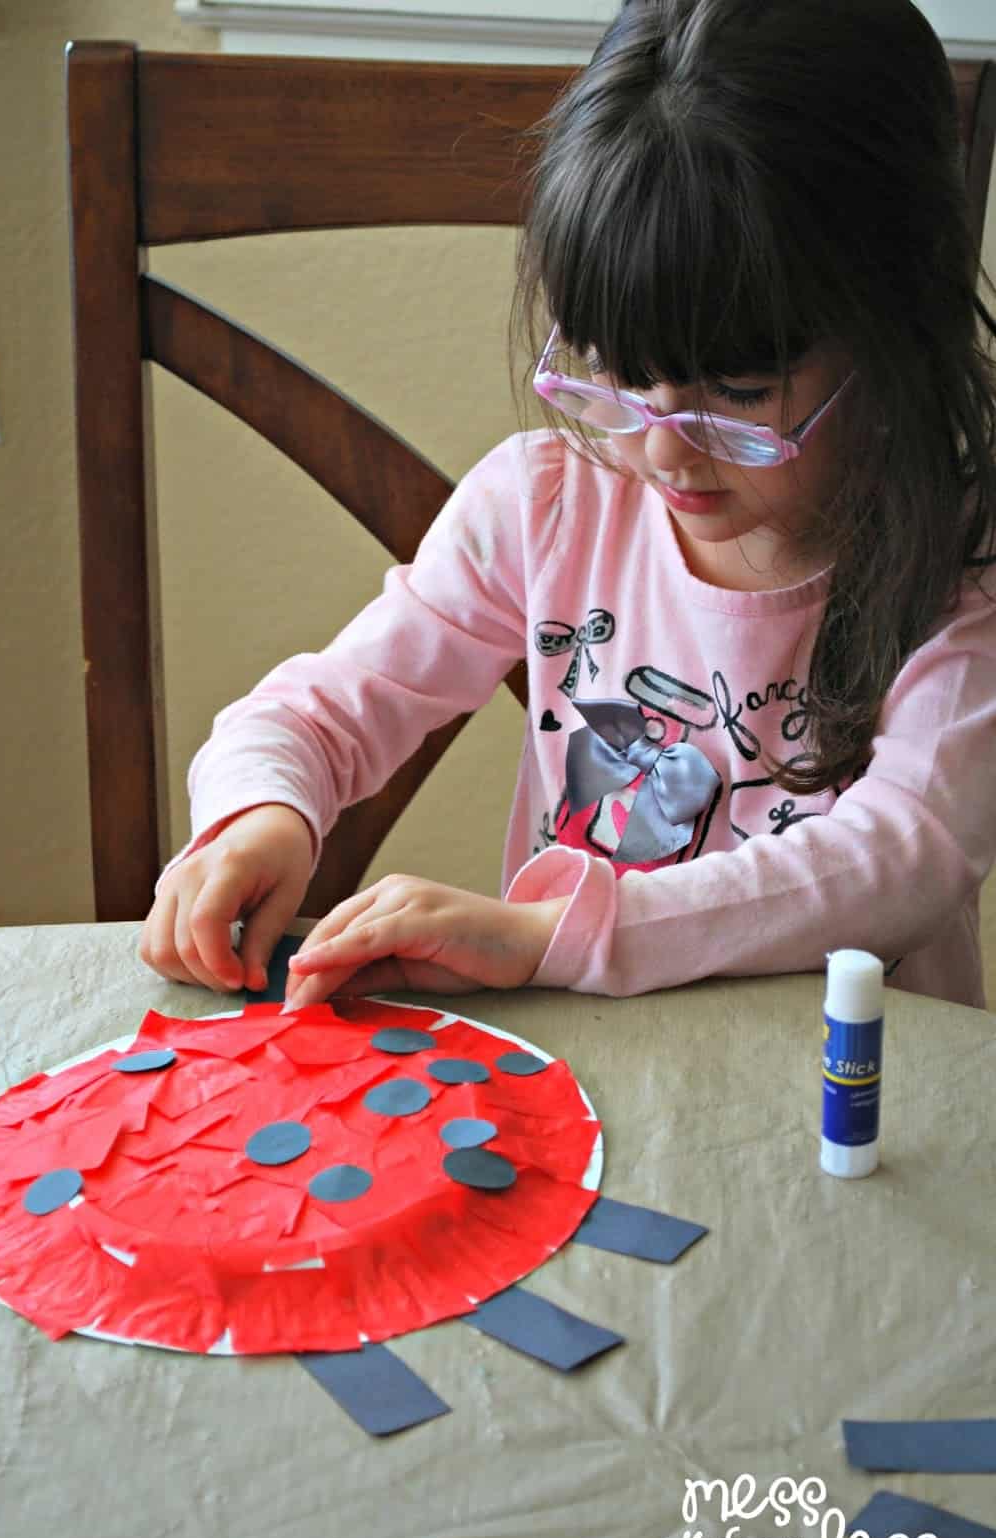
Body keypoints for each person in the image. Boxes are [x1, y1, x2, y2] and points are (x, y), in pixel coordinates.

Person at [140, 0, 996, 1011]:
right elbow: (320, 710)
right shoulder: (546, 504)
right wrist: (261, 810)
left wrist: (552, 932)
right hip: (584, 1076)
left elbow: (900, 861)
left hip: (847, 1110)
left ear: (896, 328)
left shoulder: (963, 568)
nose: (662, 446)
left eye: (741, 391)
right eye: (615, 376)